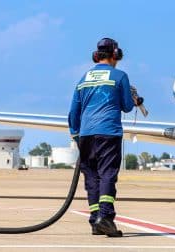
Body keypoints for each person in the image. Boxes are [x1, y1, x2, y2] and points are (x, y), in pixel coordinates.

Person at [68, 38, 142, 237]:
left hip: (86, 134)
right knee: (107, 174)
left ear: (96, 56)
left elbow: (74, 111)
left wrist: (76, 134)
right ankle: (106, 218)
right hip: (108, 132)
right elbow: (126, 106)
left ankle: (95, 221)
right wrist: (134, 99)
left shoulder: (83, 79)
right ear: (115, 55)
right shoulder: (120, 76)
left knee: (92, 177)